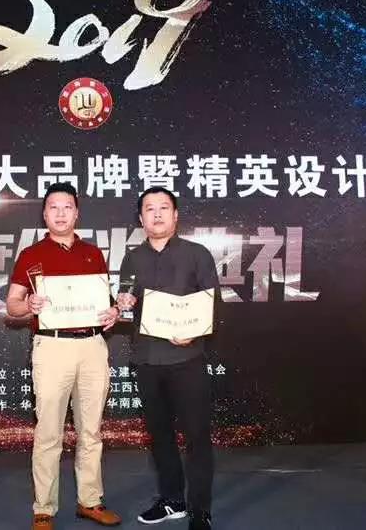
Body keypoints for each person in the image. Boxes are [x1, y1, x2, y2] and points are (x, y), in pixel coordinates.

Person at [6, 182, 122, 530]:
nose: (60, 213)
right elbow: (12, 305)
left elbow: (105, 302)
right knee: (48, 433)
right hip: (52, 346)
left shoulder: (93, 253)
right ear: (44, 214)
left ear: (76, 213)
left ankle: (90, 501)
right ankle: (44, 508)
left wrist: (113, 312)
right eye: (53, 207)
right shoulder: (31, 254)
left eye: (67, 207)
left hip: (92, 346)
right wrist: (28, 305)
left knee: (91, 431)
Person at [116, 187, 219, 530]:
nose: (157, 214)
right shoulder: (132, 258)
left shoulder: (197, 254)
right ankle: (172, 499)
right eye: (149, 208)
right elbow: (126, 296)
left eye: (164, 207)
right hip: (147, 360)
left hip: (187, 358)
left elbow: (211, 303)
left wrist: (195, 331)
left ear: (175, 215)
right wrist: (123, 302)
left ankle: (200, 511)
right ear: (141, 218)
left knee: (197, 437)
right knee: (160, 436)